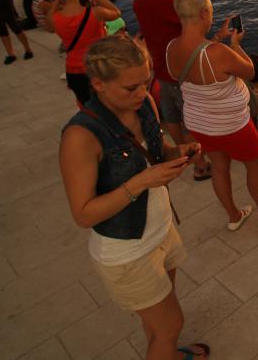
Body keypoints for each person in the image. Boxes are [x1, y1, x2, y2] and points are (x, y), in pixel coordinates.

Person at [59, 36, 209, 360]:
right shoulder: (80, 136)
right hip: (126, 252)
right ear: (98, 84)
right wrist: (140, 182)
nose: (142, 93)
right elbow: (83, 214)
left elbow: (157, 152)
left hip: (161, 230)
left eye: (146, 81)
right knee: (171, 325)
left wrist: (179, 153)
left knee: (158, 322)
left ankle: (165, 353)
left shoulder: (145, 105)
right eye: (131, 88)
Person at [166, 0, 258, 230]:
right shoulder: (218, 53)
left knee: (219, 166)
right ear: (204, 13)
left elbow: (196, 60)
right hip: (231, 125)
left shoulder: (171, 48)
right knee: (256, 165)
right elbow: (252, 72)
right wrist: (235, 44)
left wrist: (218, 38)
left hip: (199, 124)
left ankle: (234, 216)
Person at [132, 0, 212, 182]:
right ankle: (200, 165)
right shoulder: (169, 3)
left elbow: (164, 14)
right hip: (180, 71)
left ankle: (185, 155)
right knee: (189, 121)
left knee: (171, 118)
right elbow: (194, 18)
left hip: (159, 70)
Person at [46, 0, 121, 105]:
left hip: (74, 72)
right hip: (98, 68)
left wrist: (56, 2)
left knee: (87, 108)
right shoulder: (96, 13)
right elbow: (116, 12)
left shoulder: (55, 19)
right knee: (109, 105)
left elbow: (49, 27)